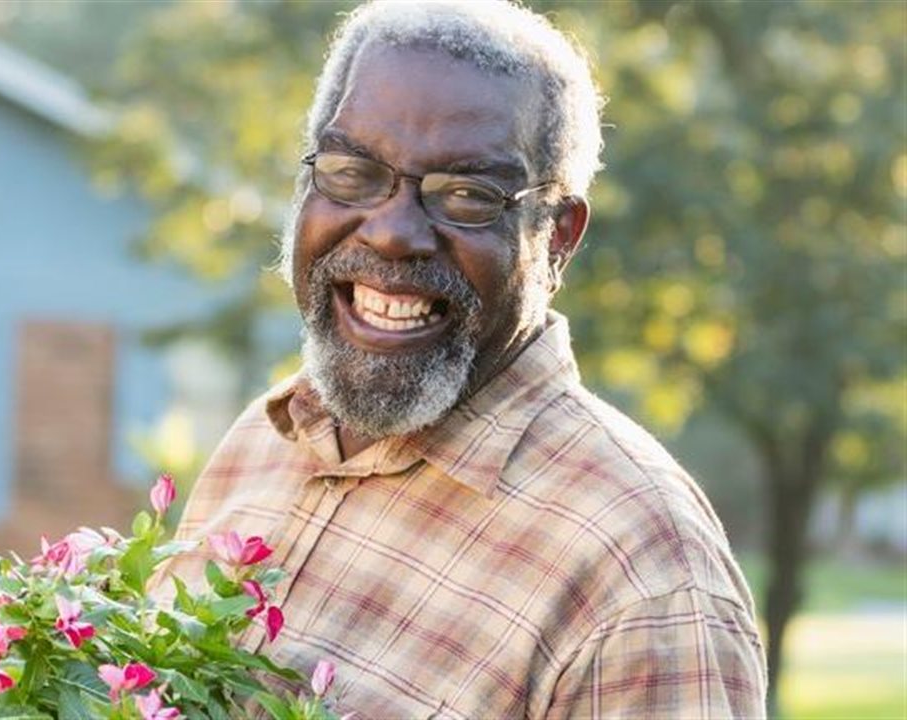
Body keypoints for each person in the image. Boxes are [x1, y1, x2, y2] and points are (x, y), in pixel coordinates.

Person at [164, 2, 767, 717]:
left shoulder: (642, 577)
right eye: (353, 172)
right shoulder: (266, 441)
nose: (391, 235)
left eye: (468, 195)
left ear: (559, 236)